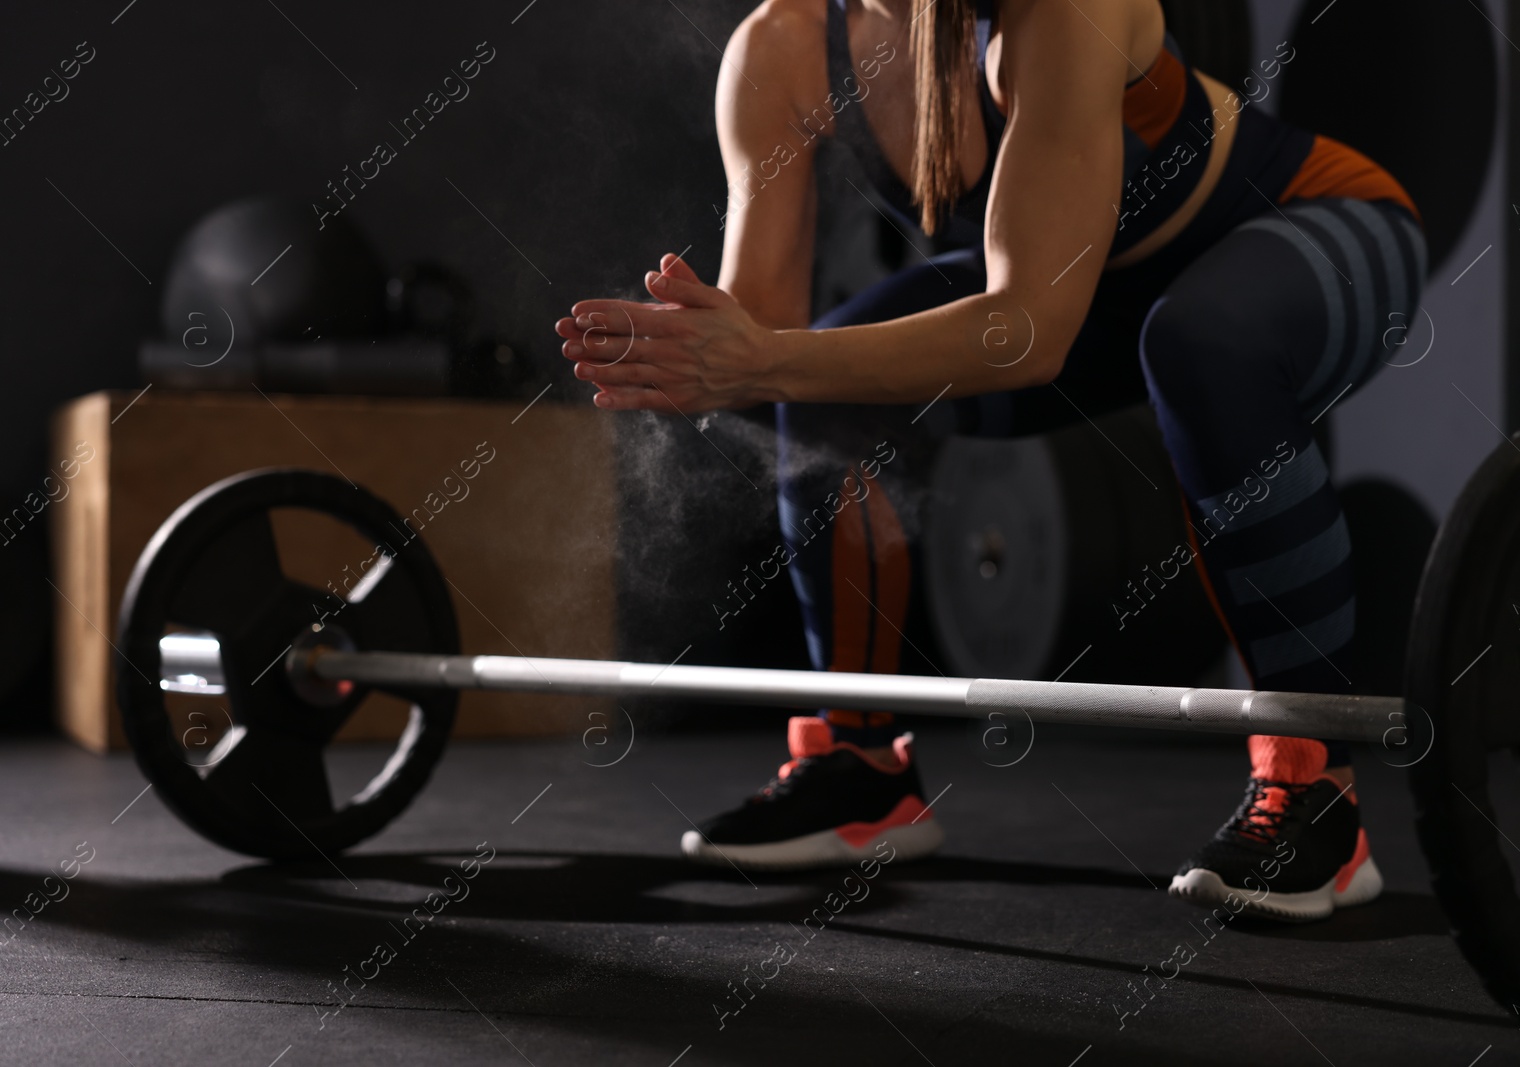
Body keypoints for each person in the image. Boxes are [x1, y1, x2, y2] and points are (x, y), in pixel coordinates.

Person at [554, 0, 1423, 923]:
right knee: (820, 389)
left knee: (1203, 345)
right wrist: (698, 354)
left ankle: (1315, 794)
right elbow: (760, 340)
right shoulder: (781, 47)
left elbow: (1027, 331)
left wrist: (761, 357)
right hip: (1087, 296)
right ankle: (857, 766)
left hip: (1312, 226)